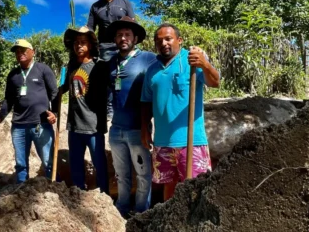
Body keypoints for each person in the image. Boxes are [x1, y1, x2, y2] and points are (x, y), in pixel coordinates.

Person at [140, 23, 220, 201]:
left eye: (168, 38)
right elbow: (145, 101)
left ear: (179, 40)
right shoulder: (152, 70)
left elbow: (215, 82)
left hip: (191, 141)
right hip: (162, 142)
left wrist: (205, 64)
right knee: (169, 185)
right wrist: (145, 128)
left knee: (197, 188)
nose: (164, 43)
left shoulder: (192, 60)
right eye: (159, 40)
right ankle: (169, 220)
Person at [106, 16, 156, 218]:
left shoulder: (148, 58)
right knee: (121, 174)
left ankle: (142, 212)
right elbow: (109, 91)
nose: (123, 38)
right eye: (119, 34)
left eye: (127, 34)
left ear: (135, 38)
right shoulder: (111, 62)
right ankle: (122, 209)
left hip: (138, 129)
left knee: (143, 174)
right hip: (116, 130)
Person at [0, 39, 58, 184]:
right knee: (20, 163)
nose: (19, 53)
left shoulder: (43, 69)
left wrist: (55, 113)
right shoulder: (13, 75)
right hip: (19, 126)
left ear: (32, 52)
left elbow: (54, 93)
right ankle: (21, 191)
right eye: (17, 51)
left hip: (41, 125)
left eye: (23, 50)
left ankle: (51, 191)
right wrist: (0, 117)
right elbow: (9, 100)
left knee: (48, 161)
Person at [60, 26, 109, 194]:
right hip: (74, 125)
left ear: (90, 45)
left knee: (99, 163)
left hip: (93, 126)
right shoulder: (72, 65)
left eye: (83, 43)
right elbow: (67, 86)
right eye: (76, 43)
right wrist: (56, 91)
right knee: (76, 164)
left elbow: (108, 93)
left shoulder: (99, 66)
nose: (78, 46)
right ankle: (78, 194)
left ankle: (105, 196)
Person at [87, 0, 136, 119]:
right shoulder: (95, 7)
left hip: (124, 45)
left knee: (128, 74)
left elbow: (132, 24)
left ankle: (130, 103)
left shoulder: (125, 2)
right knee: (108, 78)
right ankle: (109, 108)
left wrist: (134, 43)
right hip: (105, 47)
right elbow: (90, 29)